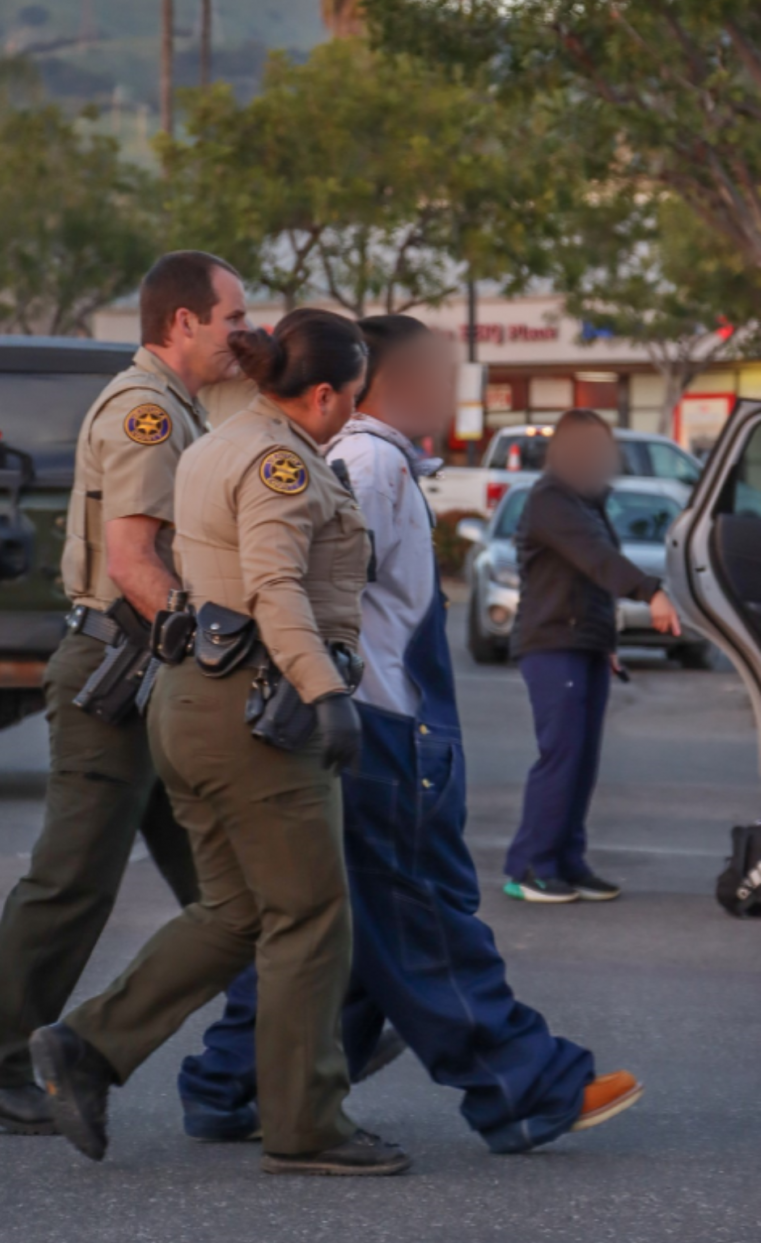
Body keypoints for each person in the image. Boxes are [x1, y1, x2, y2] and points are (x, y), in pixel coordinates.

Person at [176, 315, 644, 1155]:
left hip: (382, 715)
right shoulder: (369, 460)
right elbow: (308, 587)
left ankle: (228, 1081)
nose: (446, 391)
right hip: (382, 719)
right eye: (431, 374)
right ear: (376, 381)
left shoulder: (363, 457)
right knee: (419, 915)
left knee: (354, 926)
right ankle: (523, 1084)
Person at [30, 308, 410, 1177]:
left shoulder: (216, 440)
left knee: (235, 911)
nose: (353, 414)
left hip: (195, 701)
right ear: (323, 393)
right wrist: (328, 694)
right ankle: (306, 1123)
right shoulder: (280, 462)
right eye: (352, 398)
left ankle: (86, 1045)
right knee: (310, 916)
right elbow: (275, 585)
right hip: (261, 708)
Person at [0, 251, 248, 1134]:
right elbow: (132, 560)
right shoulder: (147, 411)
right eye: (234, 318)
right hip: (125, 671)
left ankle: (303, 1034)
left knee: (227, 882)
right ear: (183, 323)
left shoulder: (187, 405)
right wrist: (212, 645)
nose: (245, 333)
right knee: (74, 880)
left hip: (150, 672)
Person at [504, 409, 683, 904]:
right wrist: (651, 592)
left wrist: (606, 642)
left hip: (585, 643)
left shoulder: (587, 503)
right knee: (560, 757)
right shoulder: (550, 501)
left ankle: (567, 861)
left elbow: (590, 581)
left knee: (582, 760)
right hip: (551, 644)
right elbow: (597, 561)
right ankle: (531, 867)